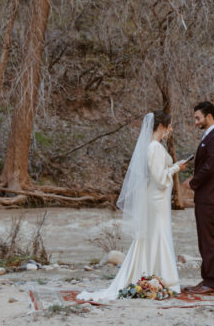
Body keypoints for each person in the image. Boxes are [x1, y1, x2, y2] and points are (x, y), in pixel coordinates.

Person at [77, 111, 187, 302]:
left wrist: (174, 164)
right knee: (157, 234)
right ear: (161, 126)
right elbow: (159, 179)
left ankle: (157, 275)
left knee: (157, 235)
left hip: (158, 198)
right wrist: (177, 167)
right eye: (169, 126)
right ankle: (158, 277)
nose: (171, 130)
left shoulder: (156, 146)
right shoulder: (153, 147)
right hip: (155, 198)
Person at [183, 100, 214, 295]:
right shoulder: (209, 136)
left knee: (209, 239)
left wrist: (192, 182)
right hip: (205, 196)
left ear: (209, 116)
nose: (195, 122)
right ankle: (206, 279)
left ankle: (211, 282)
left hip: (210, 197)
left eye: (198, 118)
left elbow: (210, 167)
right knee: (205, 239)